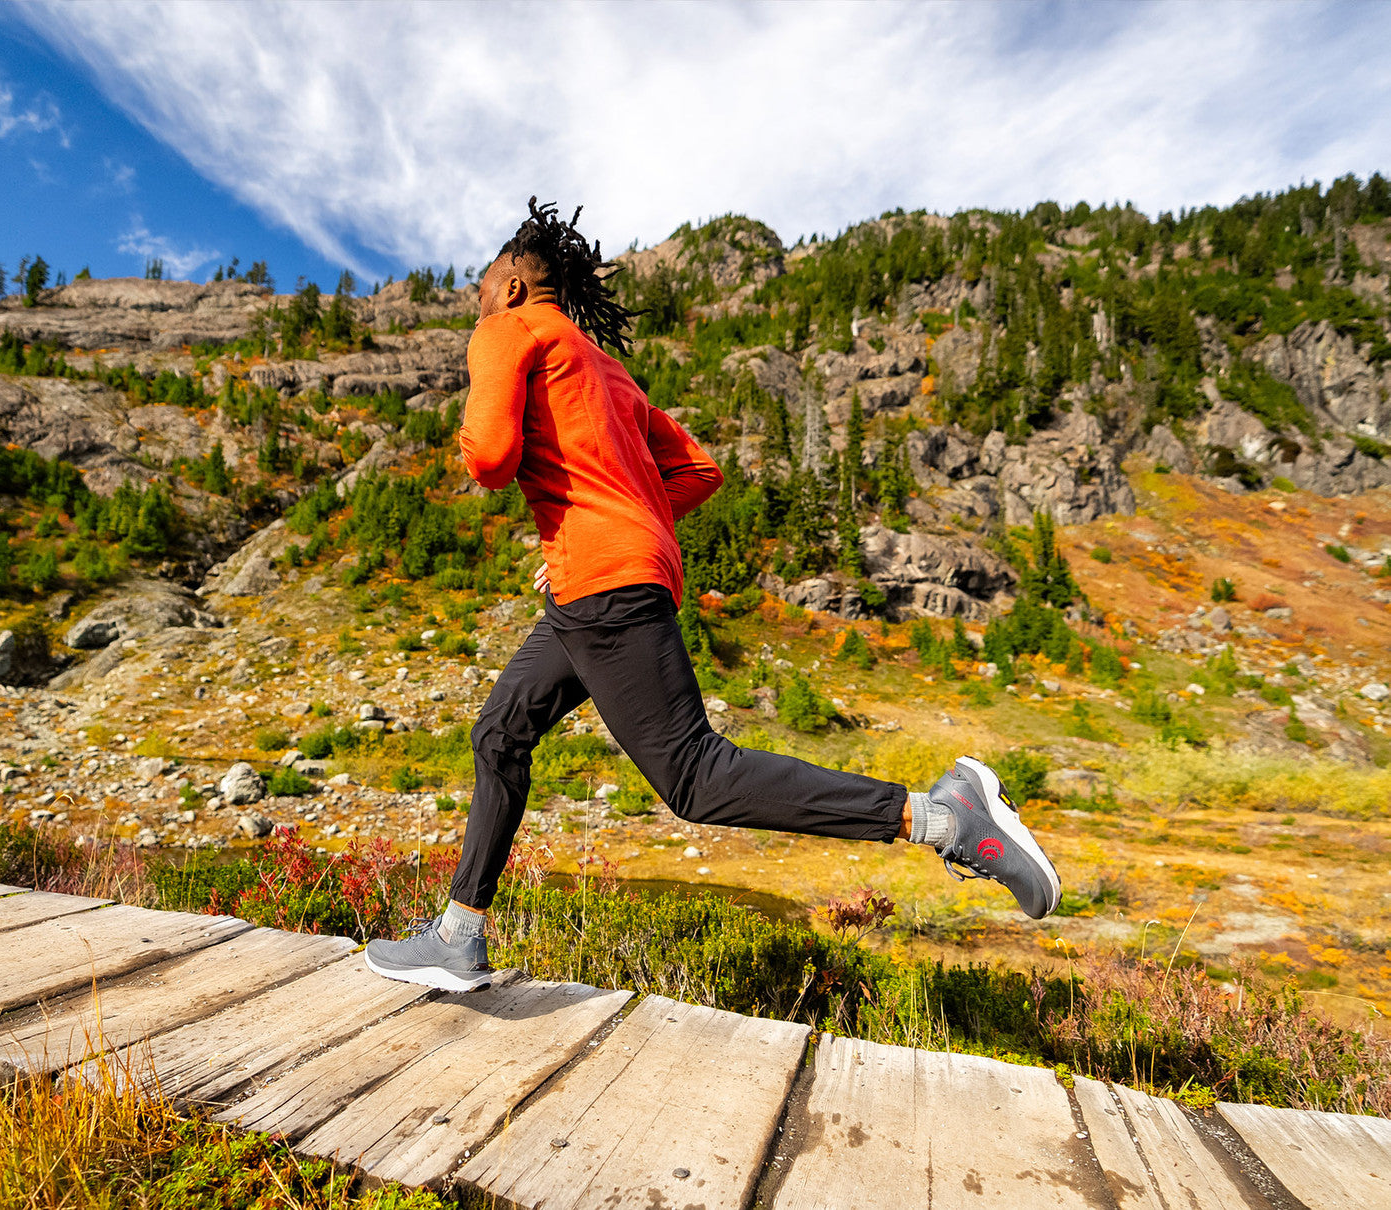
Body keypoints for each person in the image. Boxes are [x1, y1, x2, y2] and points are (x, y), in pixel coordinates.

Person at [366, 199, 1060, 992]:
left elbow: (489, 457)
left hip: (602, 583)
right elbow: (698, 473)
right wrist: (620, 525)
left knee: (694, 777)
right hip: (597, 583)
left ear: (518, 282)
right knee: (500, 733)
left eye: (484, 285)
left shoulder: (507, 330)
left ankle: (943, 818)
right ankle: (459, 935)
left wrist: (591, 525)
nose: (477, 298)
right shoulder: (610, 373)